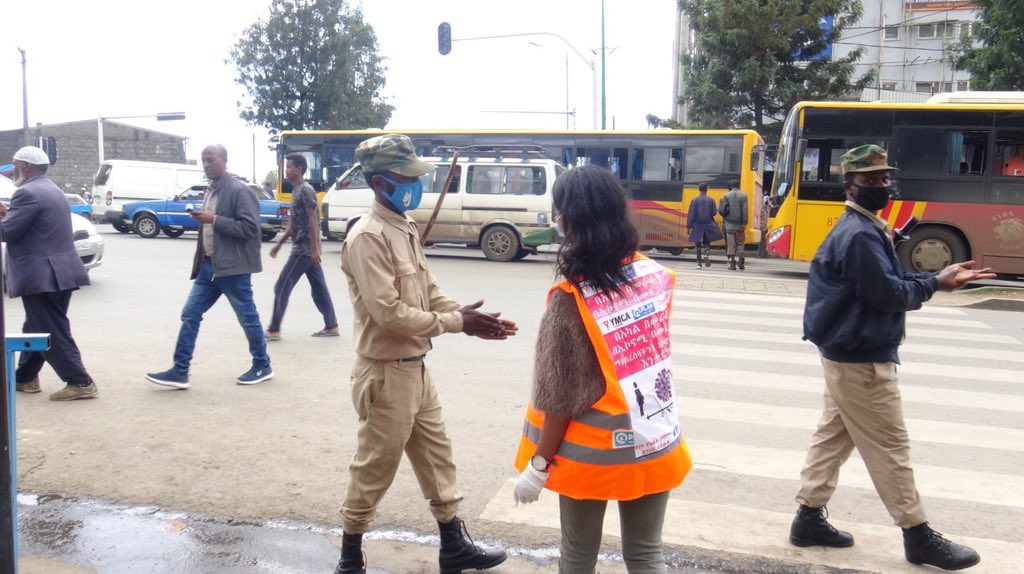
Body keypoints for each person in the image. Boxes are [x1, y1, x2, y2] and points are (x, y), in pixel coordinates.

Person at [792, 145, 993, 571]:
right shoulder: (861, 234)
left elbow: (891, 280)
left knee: (833, 437)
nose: (881, 185)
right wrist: (935, 283)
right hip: (862, 360)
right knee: (890, 447)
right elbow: (887, 295)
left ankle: (808, 518)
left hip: (845, 354)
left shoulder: (862, 227)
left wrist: (932, 278)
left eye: (884, 178)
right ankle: (917, 534)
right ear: (849, 185)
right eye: (870, 180)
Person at [335, 134, 517, 574]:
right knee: (375, 466)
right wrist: (458, 324)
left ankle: (454, 545)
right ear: (380, 183)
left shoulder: (405, 227)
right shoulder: (367, 237)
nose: (416, 185)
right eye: (406, 178)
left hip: (416, 370)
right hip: (384, 374)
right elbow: (390, 314)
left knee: (437, 457)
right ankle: (349, 556)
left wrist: (467, 318)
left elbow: (428, 291)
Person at [512, 165, 692, 573]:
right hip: (655, 437)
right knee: (646, 554)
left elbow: (559, 397)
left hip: (593, 453)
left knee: (578, 556)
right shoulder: (652, 275)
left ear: (569, 219)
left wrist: (538, 468)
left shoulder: (570, 298)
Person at [146, 144, 273, 389]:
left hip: (232, 268)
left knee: (247, 318)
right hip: (209, 267)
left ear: (225, 160)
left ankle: (262, 364)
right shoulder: (210, 190)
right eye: (203, 160)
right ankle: (180, 371)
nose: (207, 165)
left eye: (211, 160)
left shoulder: (239, 191)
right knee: (190, 313)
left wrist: (213, 220)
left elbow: (250, 229)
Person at [0, 146, 97, 401]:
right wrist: (7, 214)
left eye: (15, 164)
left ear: (25, 167)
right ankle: (25, 377)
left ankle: (80, 381)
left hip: (41, 274)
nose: (12, 170)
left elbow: (8, 233)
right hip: (60, 272)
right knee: (36, 327)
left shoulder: (26, 193)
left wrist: (5, 219)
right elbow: (36, 225)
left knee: (49, 328)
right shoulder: (51, 189)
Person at [265, 153, 338, 340]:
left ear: (299, 169)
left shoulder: (305, 190)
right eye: (286, 166)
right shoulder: (296, 190)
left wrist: (314, 249)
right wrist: (279, 244)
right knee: (319, 288)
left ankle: (274, 329)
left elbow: (313, 219)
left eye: (289, 166)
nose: (287, 170)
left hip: (304, 250)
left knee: (282, 285)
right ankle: (332, 326)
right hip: (304, 248)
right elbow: (295, 222)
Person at [685, 182, 723, 269]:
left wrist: (688, 227)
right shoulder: (711, 200)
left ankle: (699, 263)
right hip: (708, 224)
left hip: (697, 224)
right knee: (707, 242)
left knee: (697, 244)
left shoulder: (694, 200)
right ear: (706, 190)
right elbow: (714, 212)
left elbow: (691, 214)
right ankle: (706, 254)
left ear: (699, 190)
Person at [718, 179, 748, 270]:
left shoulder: (725, 196)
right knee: (740, 243)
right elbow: (745, 211)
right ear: (739, 185)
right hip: (740, 224)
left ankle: (732, 263)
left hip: (729, 224)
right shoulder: (744, 196)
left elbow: (721, 210)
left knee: (731, 244)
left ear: (731, 186)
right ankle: (741, 262)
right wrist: (744, 223)